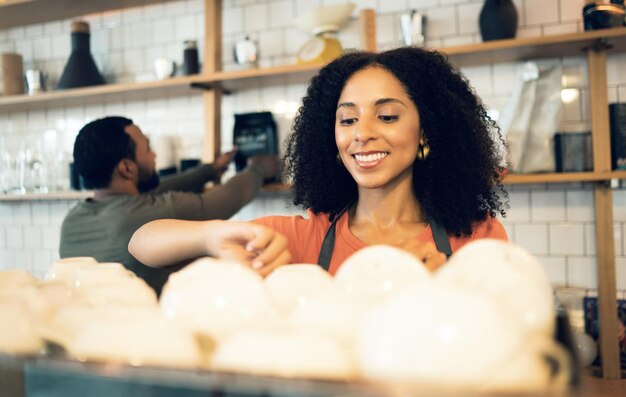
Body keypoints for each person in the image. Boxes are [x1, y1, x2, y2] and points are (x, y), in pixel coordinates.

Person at [129, 47, 508, 277]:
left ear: (426, 132)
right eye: (347, 119)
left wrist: (448, 289)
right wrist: (211, 237)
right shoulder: (299, 240)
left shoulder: (476, 237)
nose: (361, 133)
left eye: (387, 116)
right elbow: (142, 241)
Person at [60, 116, 278, 294]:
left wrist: (209, 170)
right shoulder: (152, 213)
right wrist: (258, 169)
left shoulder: (71, 220)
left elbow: (155, 190)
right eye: (147, 149)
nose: (154, 154)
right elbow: (226, 199)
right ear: (126, 168)